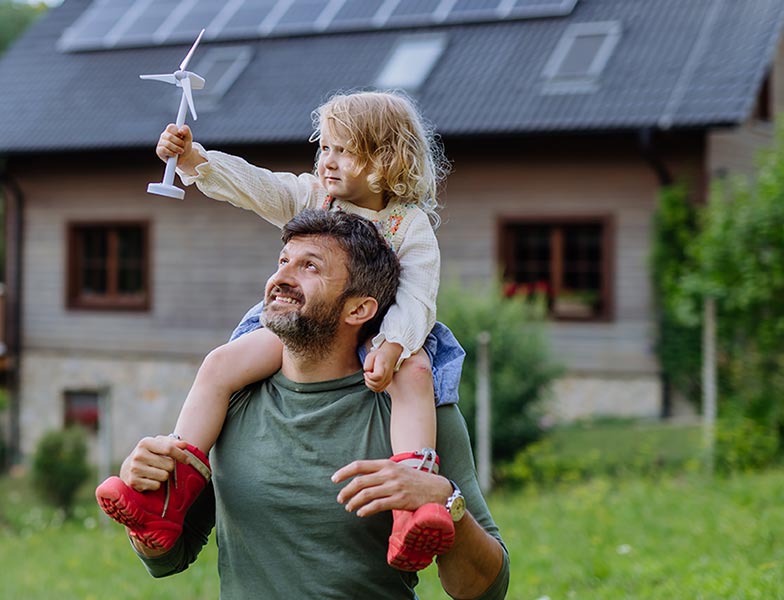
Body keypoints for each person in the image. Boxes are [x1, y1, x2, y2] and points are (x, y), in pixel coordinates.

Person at [97, 90, 466, 571]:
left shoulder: (409, 225)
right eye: (325, 148)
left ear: (384, 159)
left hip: (382, 330)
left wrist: (393, 341)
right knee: (221, 364)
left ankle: (411, 505)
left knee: (415, 374)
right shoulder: (314, 195)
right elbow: (258, 186)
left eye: (344, 150)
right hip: (306, 325)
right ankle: (171, 489)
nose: (327, 161)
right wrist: (195, 159)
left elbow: (418, 293)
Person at [112, 209, 509, 599]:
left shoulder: (416, 411)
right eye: (283, 261)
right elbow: (168, 559)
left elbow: (486, 590)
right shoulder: (232, 397)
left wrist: (445, 500)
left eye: (310, 267)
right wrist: (147, 484)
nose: (280, 278)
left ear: (359, 309)